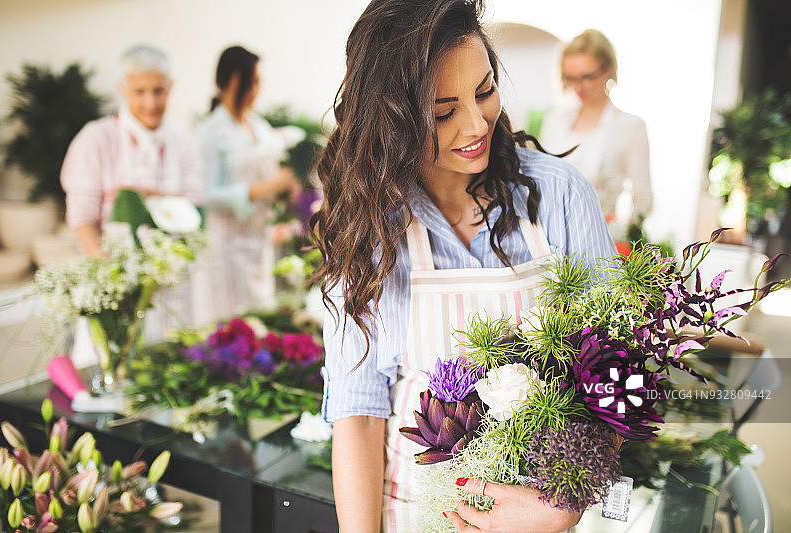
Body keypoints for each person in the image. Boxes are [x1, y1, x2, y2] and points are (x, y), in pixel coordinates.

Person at [309, 1, 616, 532]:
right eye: (442, 111)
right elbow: (358, 416)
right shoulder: (372, 226)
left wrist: (561, 506)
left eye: (485, 90)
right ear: (393, 118)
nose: (477, 125)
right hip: (412, 517)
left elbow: (616, 373)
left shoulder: (560, 196)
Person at [60, 44, 203, 341]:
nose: (150, 101)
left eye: (158, 91)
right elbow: (82, 216)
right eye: (139, 91)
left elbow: (196, 206)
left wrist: (142, 194)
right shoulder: (97, 138)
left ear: (171, 88)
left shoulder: (183, 144)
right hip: (116, 287)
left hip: (172, 292)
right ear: (122, 89)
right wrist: (107, 272)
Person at [195, 45, 300, 323]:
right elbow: (208, 193)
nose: (253, 91)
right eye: (247, 83)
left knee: (262, 315)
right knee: (233, 320)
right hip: (226, 245)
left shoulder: (260, 127)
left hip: (258, 239)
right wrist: (262, 190)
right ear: (226, 82)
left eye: (257, 84)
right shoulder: (210, 133)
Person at [539, 29, 653, 236]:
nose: (578, 87)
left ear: (608, 69)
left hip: (598, 241)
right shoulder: (554, 121)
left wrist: (619, 237)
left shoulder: (630, 127)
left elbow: (643, 200)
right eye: (570, 78)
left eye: (587, 77)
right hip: (547, 237)